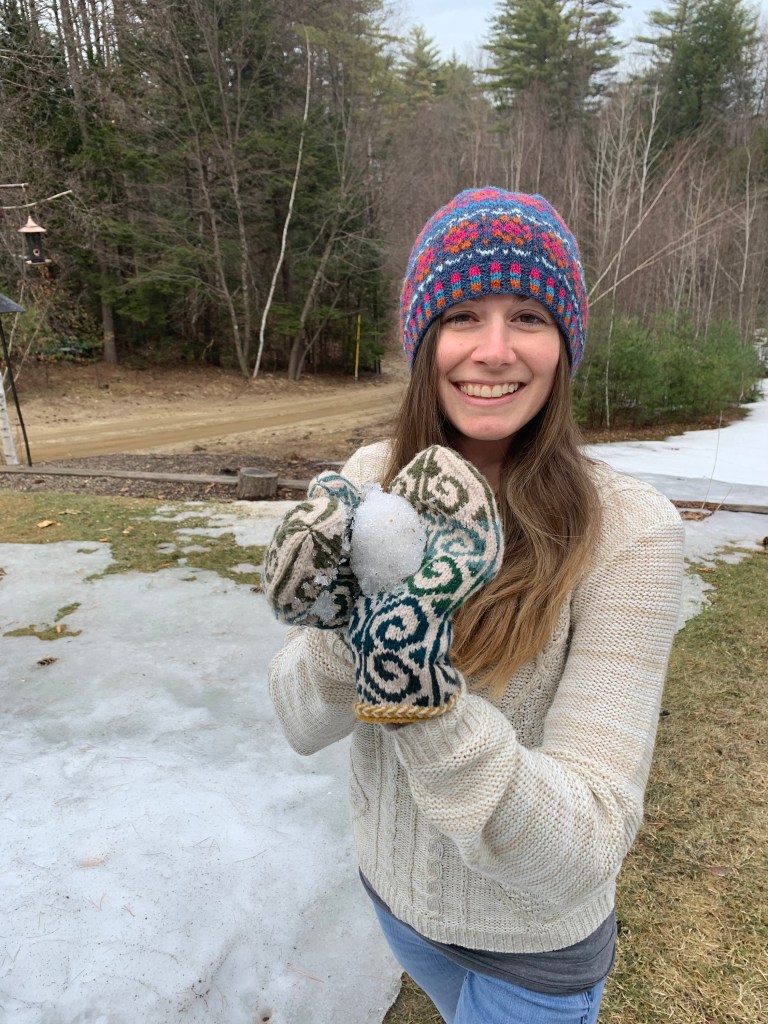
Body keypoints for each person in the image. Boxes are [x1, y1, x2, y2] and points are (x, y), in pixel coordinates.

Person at [265, 188, 684, 1023]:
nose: (493, 350)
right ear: (424, 341)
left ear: (565, 345)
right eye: (462, 315)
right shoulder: (374, 473)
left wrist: (415, 682)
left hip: (530, 955)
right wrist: (343, 632)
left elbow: (588, 847)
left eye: (528, 314)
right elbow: (300, 723)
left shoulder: (633, 533)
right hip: (393, 899)